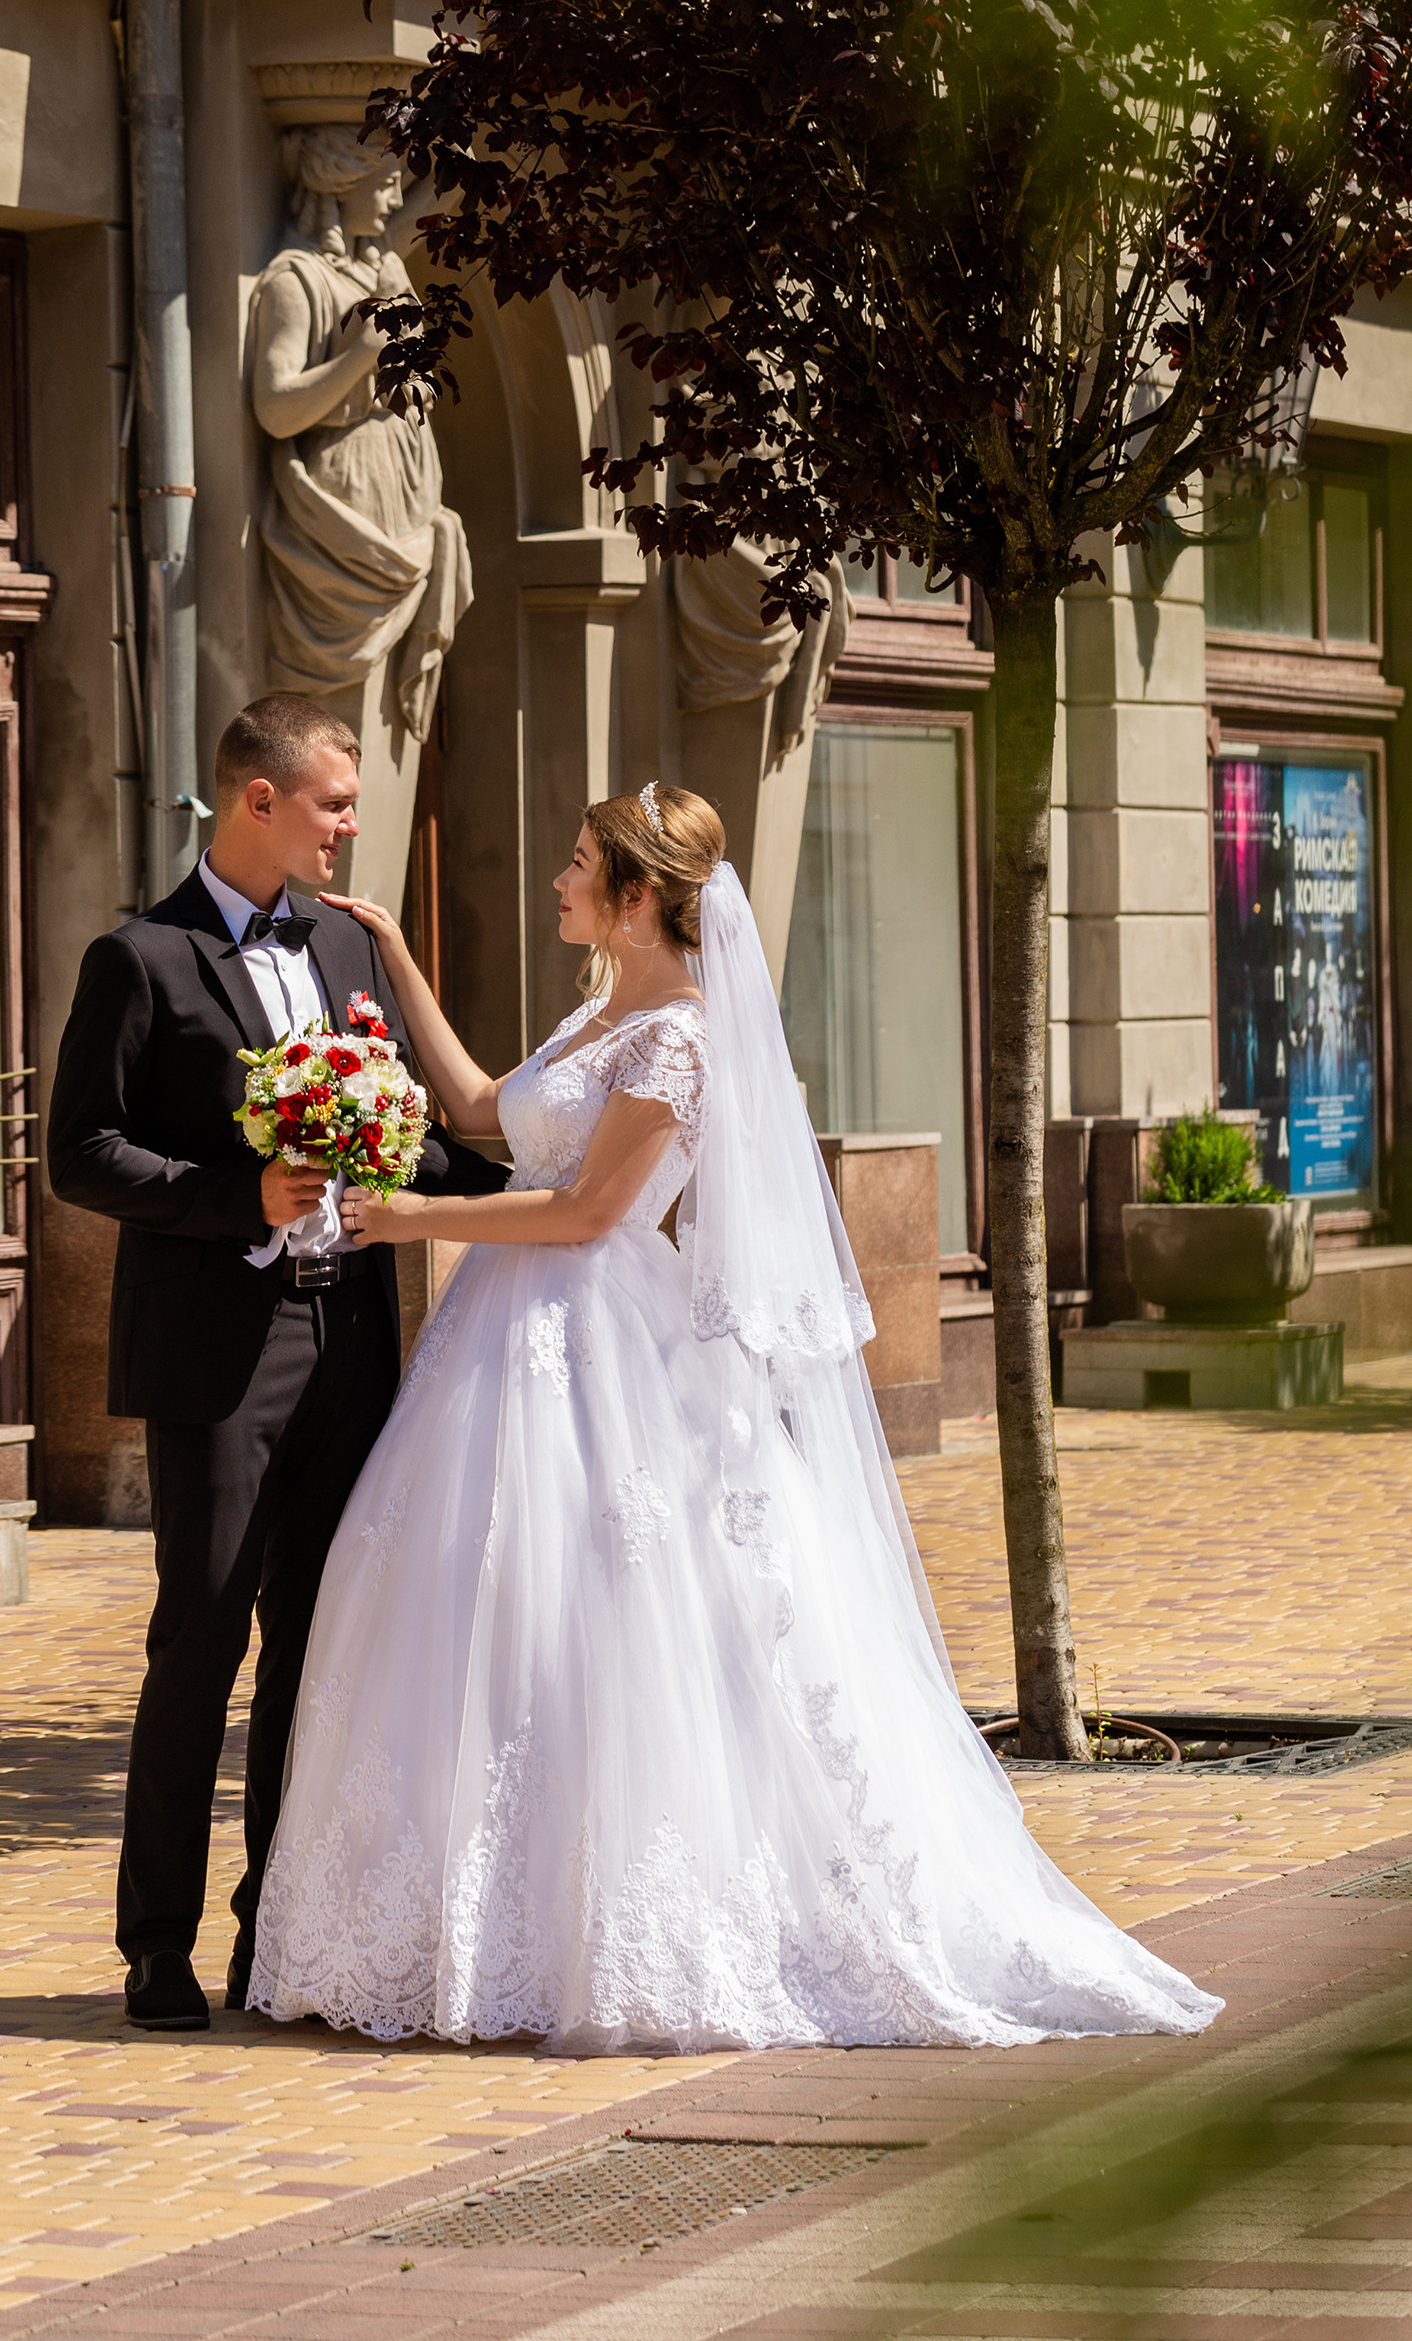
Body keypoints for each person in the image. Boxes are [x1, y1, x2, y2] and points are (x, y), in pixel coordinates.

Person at [248, 783, 1222, 2053]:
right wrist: (393, 953)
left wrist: (408, 1220)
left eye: (579, 863)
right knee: (484, 1618)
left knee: (607, 1615)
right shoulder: (605, 1013)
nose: (558, 878)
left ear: (638, 895)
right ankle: (458, 1936)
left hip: (596, 1338)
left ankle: (616, 1932)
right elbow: (484, 1108)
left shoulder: (681, 1041)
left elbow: (589, 1216)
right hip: (500, 1337)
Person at [44, 692, 506, 2032]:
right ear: (259, 798)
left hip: (352, 1340)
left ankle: (275, 1935)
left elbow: (415, 1136)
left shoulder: (349, 950)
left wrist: (540, 1175)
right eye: (334, 804)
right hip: (219, 1358)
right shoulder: (140, 957)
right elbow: (83, 1150)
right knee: (200, 1640)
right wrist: (226, 1193)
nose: (350, 826)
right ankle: (156, 1947)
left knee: (322, 1649)